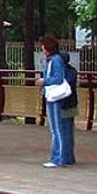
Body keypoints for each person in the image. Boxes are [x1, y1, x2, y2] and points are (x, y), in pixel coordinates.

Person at [35, 35, 68, 168]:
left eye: (43, 45)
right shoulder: (51, 60)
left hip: (55, 96)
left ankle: (58, 158)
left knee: (56, 129)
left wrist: (45, 81)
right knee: (55, 128)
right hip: (51, 95)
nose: (42, 48)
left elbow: (59, 79)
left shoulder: (55, 60)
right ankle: (59, 156)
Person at [60, 51, 78, 166]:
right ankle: (70, 156)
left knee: (63, 131)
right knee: (69, 131)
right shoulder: (72, 71)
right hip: (72, 104)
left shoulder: (62, 72)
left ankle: (65, 156)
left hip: (64, 104)